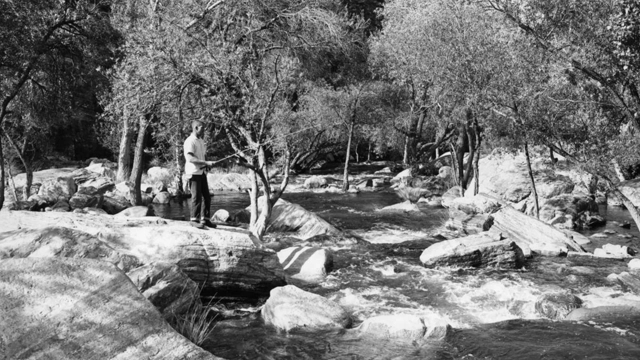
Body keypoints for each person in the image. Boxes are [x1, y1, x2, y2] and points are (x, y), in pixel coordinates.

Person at [184, 120, 216, 229]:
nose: (204, 130)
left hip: (201, 172)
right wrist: (205, 162)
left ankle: (205, 219)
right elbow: (190, 158)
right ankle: (194, 220)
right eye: (202, 127)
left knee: (207, 197)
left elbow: (202, 157)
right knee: (196, 197)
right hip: (193, 173)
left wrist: (207, 164)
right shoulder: (190, 141)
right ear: (196, 128)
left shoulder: (201, 141)